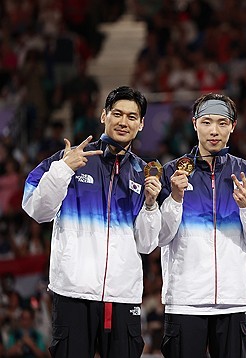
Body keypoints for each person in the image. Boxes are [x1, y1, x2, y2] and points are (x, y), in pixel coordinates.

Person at [22, 86, 162, 358]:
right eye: (117, 114)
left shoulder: (144, 173)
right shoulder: (72, 159)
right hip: (73, 293)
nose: (124, 122)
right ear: (103, 116)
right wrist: (63, 169)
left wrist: (150, 203)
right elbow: (37, 210)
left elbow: (146, 245)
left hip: (122, 297)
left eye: (132, 117)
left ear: (141, 124)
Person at [158, 93, 246, 358]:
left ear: (233, 126)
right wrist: (175, 197)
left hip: (234, 301)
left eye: (222, 123)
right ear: (195, 123)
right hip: (185, 302)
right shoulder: (171, 173)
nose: (214, 131)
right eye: (207, 122)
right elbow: (160, 237)